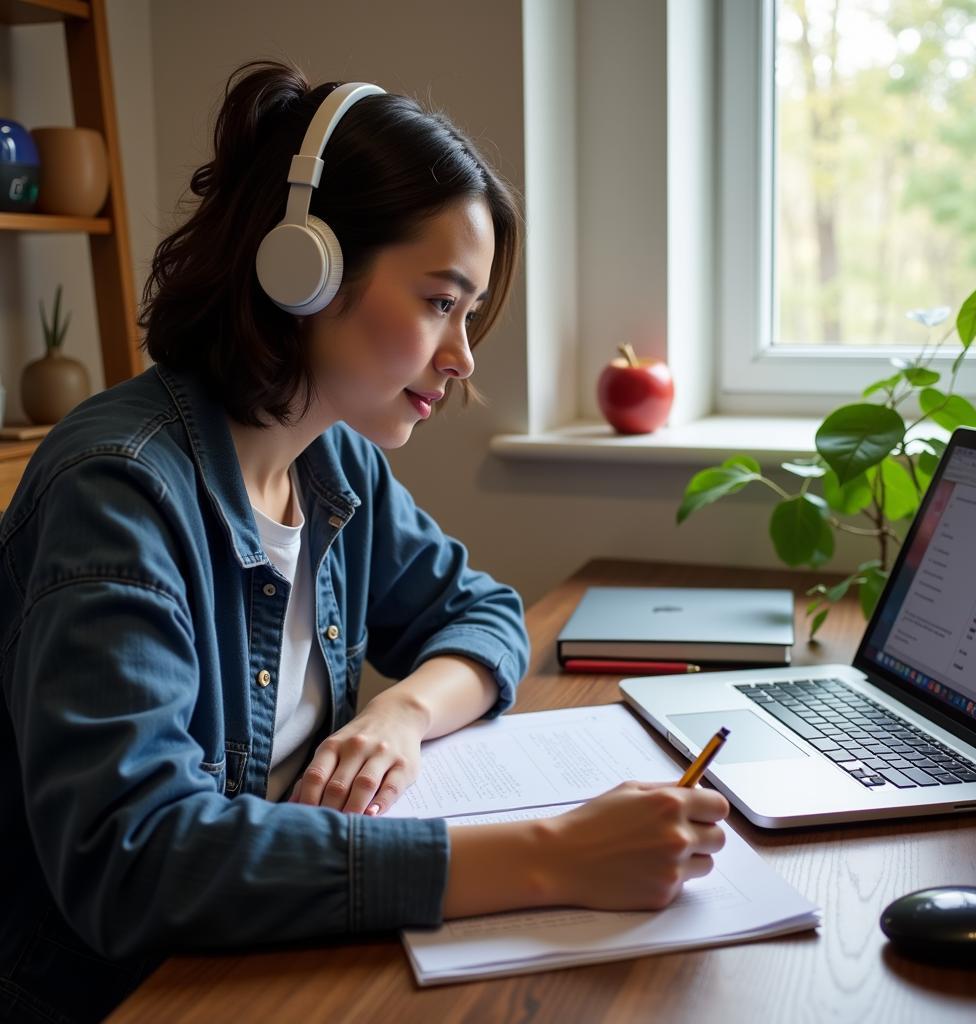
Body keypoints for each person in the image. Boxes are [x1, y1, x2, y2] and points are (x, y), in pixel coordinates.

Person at [0, 60, 729, 1023]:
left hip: (262, 958)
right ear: (304, 268)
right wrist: (554, 855)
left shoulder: (331, 462)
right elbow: (135, 861)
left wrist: (404, 715)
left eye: (468, 314)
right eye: (440, 301)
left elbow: (483, 614)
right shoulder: (120, 490)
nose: (464, 357)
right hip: (132, 996)